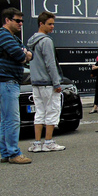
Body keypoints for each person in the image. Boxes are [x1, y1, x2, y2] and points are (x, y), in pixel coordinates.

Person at [0, 7, 33, 164]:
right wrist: (24, 54)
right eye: (17, 20)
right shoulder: (3, 35)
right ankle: (14, 153)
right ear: (7, 20)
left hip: (7, 81)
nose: (21, 23)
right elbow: (22, 55)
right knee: (13, 119)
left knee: (6, 119)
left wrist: (25, 54)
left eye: (22, 20)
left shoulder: (10, 37)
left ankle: (6, 153)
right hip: (5, 81)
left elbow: (27, 54)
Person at [27, 11, 66, 153]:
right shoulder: (46, 41)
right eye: (49, 24)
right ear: (41, 24)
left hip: (36, 82)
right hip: (47, 82)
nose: (52, 27)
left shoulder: (31, 41)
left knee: (39, 112)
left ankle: (37, 143)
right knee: (53, 111)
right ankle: (48, 142)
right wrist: (57, 83)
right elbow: (50, 64)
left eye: (53, 24)